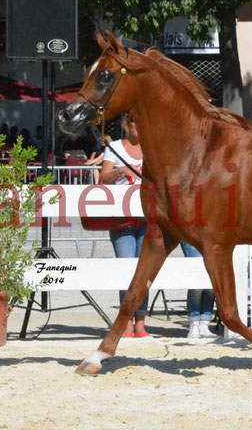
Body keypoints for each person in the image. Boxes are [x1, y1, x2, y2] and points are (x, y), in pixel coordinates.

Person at [99, 113, 150, 338]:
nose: (140, 125)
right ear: (128, 124)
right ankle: (126, 322)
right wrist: (120, 172)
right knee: (126, 270)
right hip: (122, 218)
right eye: (136, 121)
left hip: (148, 217)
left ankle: (140, 323)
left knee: (145, 271)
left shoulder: (152, 146)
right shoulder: (115, 147)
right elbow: (103, 178)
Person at [182, 242, 217, 339]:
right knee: (196, 279)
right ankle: (194, 323)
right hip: (191, 231)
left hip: (211, 233)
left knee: (210, 283)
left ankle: (204, 323)